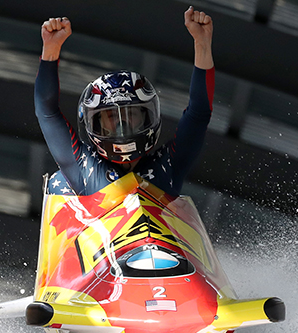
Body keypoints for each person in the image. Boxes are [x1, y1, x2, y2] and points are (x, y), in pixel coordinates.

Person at [35, 6, 214, 197]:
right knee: (58, 182)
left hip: (160, 226)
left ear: (147, 117)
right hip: (96, 225)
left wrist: (202, 43)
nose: (121, 124)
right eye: (111, 116)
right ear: (95, 124)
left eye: (132, 114)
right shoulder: (82, 167)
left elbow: (198, 113)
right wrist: (50, 49)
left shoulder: (169, 163)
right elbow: (47, 111)